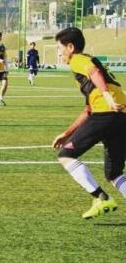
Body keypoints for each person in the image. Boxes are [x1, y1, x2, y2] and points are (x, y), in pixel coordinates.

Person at [51, 27, 126, 219]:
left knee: (66, 155)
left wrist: (107, 96)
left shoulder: (78, 60)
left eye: (59, 48)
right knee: (114, 173)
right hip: (121, 116)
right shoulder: (90, 63)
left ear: (70, 47)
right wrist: (67, 133)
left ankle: (102, 198)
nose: (58, 52)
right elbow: (89, 109)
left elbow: (94, 72)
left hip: (107, 112)